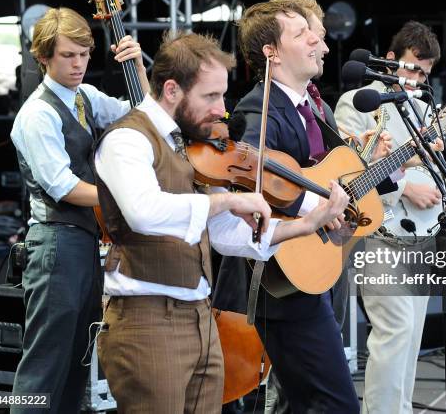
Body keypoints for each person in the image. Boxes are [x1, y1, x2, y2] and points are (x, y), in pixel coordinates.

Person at [94, 31, 350, 414]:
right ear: (171, 90)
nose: (221, 109)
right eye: (210, 97)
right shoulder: (127, 141)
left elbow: (227, 234)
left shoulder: (190, 145)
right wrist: (229, 199)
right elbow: (144, 211)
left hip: (200, 315)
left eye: (221, 96)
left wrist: (308, 223)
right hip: (147, 320)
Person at [213, 0, 402, 412]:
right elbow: (256, 193)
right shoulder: (254, 112)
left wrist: (379, 173)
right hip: (278, 283)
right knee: (336, 404)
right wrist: (316, 210)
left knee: (303, 403)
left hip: (312, 276)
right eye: (302, 34)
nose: (320, 42)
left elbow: (334, 181)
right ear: (271, 53)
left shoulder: (313, 108)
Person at [334, 20, 446, 414]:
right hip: (378, 232)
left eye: (425, 73)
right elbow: (347, 170)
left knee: (411, 336)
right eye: (413, 68)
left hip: (422, 236)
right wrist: (404, 186)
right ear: (392, 59)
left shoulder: (428, 109)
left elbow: (439, 177)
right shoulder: (359, 100)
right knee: (394, 332)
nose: (417, 78)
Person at [9, 7, 148, 414]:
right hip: (54, 243)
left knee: (76, 362)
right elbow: (62, 186)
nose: (79, 64)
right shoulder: (38, 114)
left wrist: (138, 67)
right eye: (69, 55)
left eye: (84, 54)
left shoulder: (84, 97)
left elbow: (138, 113)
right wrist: (124, 196)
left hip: (82, 241)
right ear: (45, 57)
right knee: (44, 364)